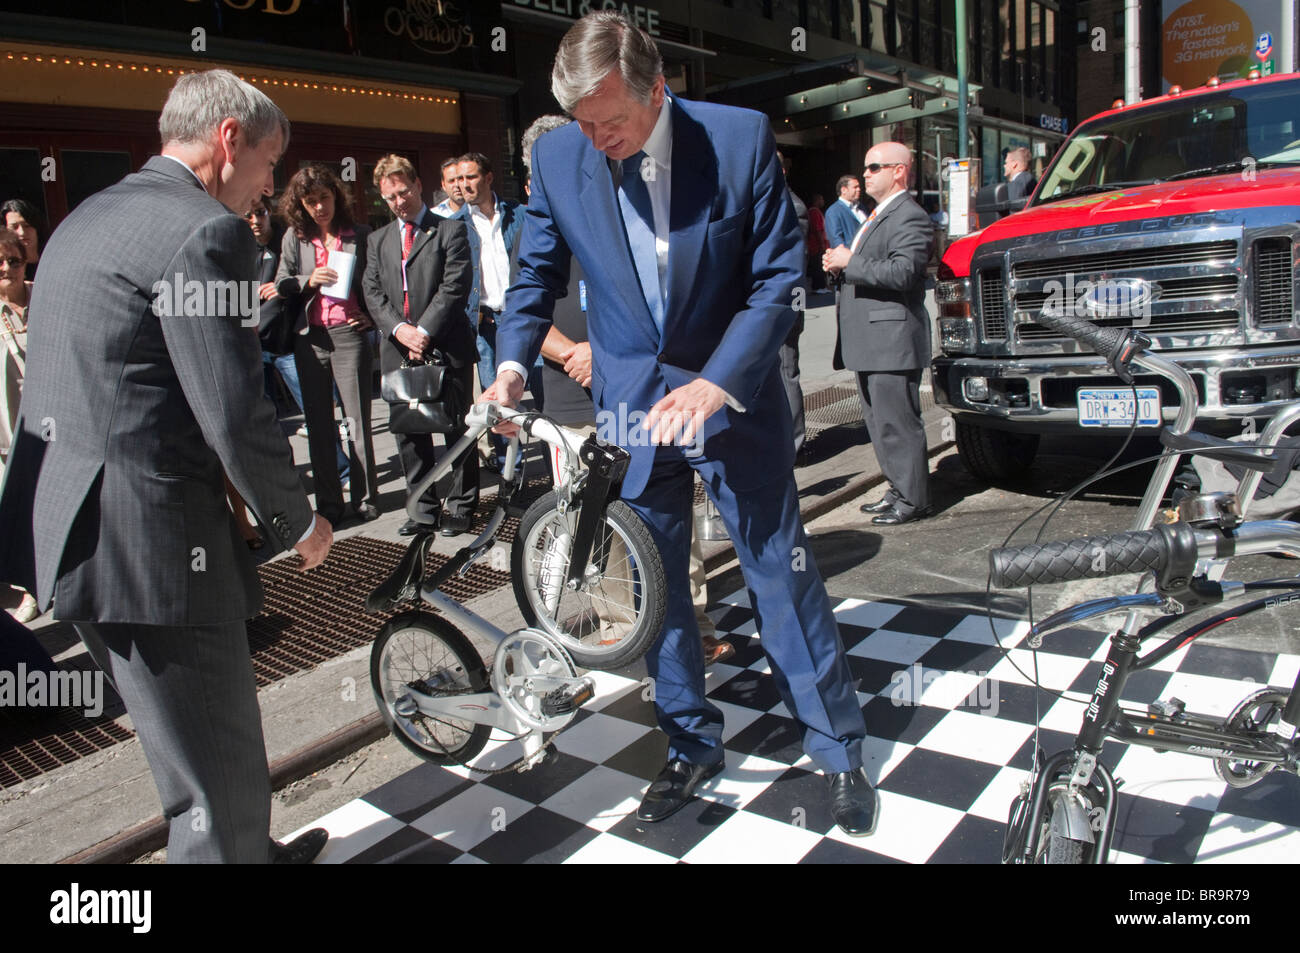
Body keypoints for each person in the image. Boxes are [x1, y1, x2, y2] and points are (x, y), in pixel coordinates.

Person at [485, 12, 875, 836]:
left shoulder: (736, 141)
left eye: (612, 123)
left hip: (730, 400)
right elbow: (533, 276)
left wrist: (717, 382)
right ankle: (692, 744)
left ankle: (837, 746)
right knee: (654, 587)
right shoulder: (560, 155)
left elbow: (777, 283)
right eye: (585, 126)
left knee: (779, 571)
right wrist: (513, 364)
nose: (598, 142)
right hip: (630, 404)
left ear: (657, 90)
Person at [0, 69, 332, 863]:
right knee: (217, 774)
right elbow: (233, 409)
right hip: (151, 548)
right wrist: (298, 519)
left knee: (179, 746)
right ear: (228, 139)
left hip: (68, 530)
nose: (269, 187)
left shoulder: (89, 216)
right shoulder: (205, 234)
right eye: (268, 163)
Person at [522, 113, 731, 665]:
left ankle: (694, 621)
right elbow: (518, 310)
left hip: (637, 388)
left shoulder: (621, 202)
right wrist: (575, 353)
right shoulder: (532, 228)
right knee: (600, 520)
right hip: (574, 396)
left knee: (667, 515)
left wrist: (614, 354)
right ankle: (622, 624)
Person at [363, 154, 477, 538]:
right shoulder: (377, 240)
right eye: (389, 197)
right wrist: (400, 330)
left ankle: (461, 506)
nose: (398, 201)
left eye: (403, 191)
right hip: (399, 349)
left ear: (416, 184)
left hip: (445, 344)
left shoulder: (450, 231)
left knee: (456, 429)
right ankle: (422, 508)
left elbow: (454, 286)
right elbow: (372, 292)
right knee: (409, 433)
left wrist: (423, 330)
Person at [824, 142, 935, 526]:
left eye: (873, 167)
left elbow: (904, 272)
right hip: (872, 341)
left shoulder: (910, 216)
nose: (865, 174)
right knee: (879, 422)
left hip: (891, 340)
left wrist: (850, 262)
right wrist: (840, 266)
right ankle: (898, 489)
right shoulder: (878, 215)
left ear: (899, 171)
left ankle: (914, 499)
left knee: (897, 423)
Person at [276, 163, 379, 528]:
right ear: (300, 205)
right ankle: (329, 505)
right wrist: (308, 279)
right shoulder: (295, 237)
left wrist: (369, 316)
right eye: (310, 201)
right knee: (319, 424)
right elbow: (281, 283)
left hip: (350, 335)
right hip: (311, 337)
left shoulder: (360, 234)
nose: (319, 207)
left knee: (356, 421)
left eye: (324, 198)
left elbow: (376, 282)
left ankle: (366, 500)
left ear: (336, 194)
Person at [451, 152, 531, 471]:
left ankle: (559, 459)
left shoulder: (519, 214)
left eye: (470, 177)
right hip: (485, 322)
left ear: (488, 178)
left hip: (522, 317)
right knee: (496, 401)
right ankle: (510, 469)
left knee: (539, 387)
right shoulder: (455, 226)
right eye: (458, 179)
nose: (463, 185)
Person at [0, 227, 37, 623]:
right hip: (10, 428)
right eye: (0, 262)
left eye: (14, 259)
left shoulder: (42, 295)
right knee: (21, 513)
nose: (7, 267)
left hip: (54, 418)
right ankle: (29, 589)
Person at [2, 199, 44, 281]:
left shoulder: (50, 257)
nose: (22, 232)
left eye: (27, 226)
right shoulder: (4, 267)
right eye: (14, 227)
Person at [824, 174, 867, 250]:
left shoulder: (862, 208)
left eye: (859, 187)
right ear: (844, 190)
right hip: (850, 257)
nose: (859, 189)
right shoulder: (833, 211)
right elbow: (836, 240)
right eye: (855, 187)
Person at [806, 192, 829, 291]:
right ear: (817, 201)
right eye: (821, 199)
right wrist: (822, 244)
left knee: (819, 265)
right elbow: (817, 229)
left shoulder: (815, 211)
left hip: (817, 244)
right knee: (818, 266)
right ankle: (818, 287)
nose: (823, 201)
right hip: (816, 245)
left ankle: (821, 286)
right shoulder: (814, 212)